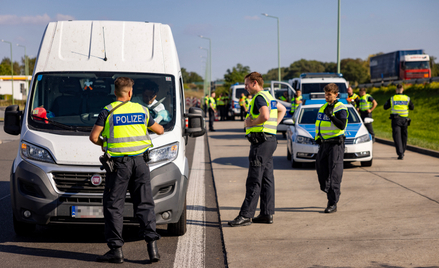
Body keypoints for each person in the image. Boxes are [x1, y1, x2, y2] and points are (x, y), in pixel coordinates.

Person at [89, 77, 164, 263]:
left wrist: (105, 143)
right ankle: (152, 249)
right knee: (145, 204)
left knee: (114, 206)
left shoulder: (107, 111)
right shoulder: (142, 110)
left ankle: (116, 251)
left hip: (119, 166)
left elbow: (93, 137)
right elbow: (160, 130)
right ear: (130, 93)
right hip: (140, 164)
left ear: (115, 93)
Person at [228, 72, 286, 227]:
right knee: (267, 178)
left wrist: (251, 123)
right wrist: (273, 128)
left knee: (254, 179)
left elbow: (265, 116)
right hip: (270, 140)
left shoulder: (259, 97)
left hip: (261, 142)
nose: (245, 87)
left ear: (255, 83)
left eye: (247, 84)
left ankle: (246, 215)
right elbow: (282, 110)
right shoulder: (269, 97)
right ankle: (267, 213)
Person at [315, 83, 348, 214]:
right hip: (323, 144)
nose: (327, 96)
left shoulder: (341, 107)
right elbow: (319, 124)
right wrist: (317, 136)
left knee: (334, 173)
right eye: (326, 94)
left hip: (336, 145)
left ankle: (332, 202)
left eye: (329, 94)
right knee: (321, 172)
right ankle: (331, 190)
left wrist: (332, 116)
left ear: (336, 95)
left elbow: (341, 125)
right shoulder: (323, 107)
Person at [383, 84, 414, 160]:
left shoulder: (393, 98)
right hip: (405, 120)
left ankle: (400, 153)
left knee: (397, 137)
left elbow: (385, 107)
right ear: (402, 90)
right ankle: (402, 151)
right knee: (404, 136)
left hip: (396, 120)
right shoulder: (407, 98)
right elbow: (412, 107)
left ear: (396, 90)